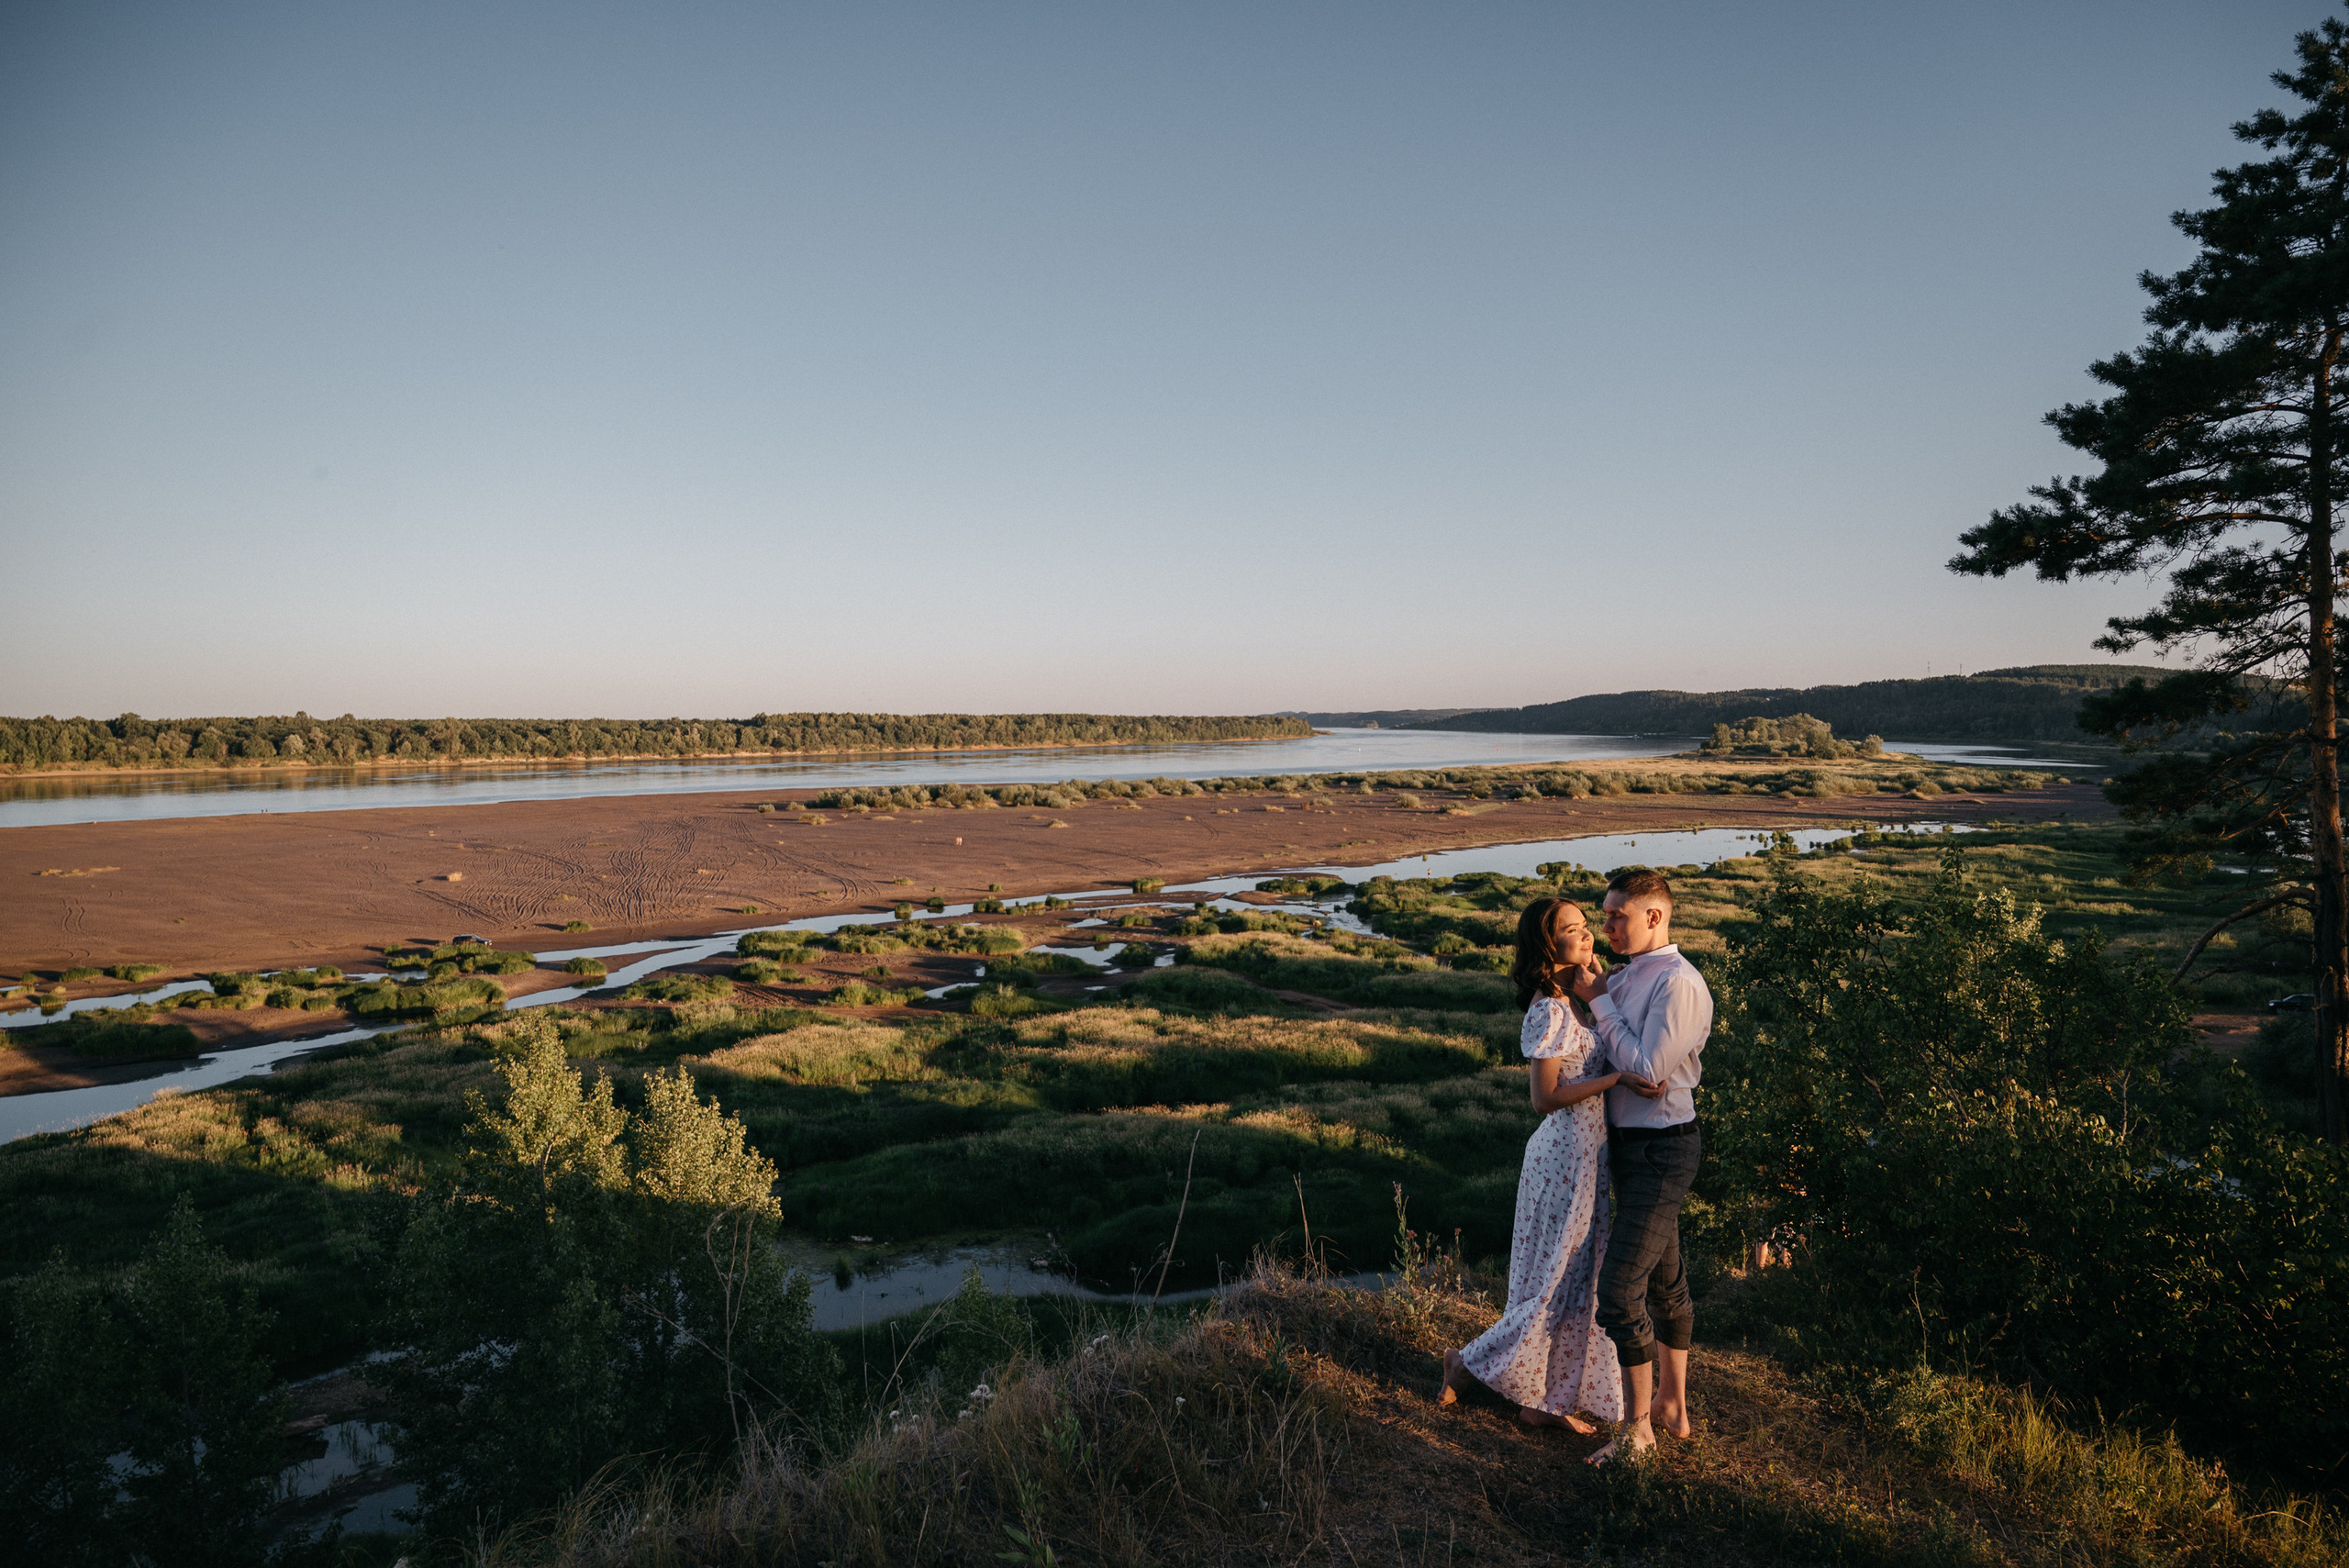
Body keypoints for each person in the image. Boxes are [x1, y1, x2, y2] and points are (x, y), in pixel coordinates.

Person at [1438, 896, 1661, 1431]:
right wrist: (1616, 1080)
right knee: (1551, 1280)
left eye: (1587, 926)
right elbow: (1544, 1097)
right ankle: (1465, 1362)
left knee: (1579, 1281)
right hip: (1561, 1157)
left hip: (1592, 1158)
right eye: (1573, 930)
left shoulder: (1583, 996)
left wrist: (1602, 990)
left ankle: (1544, 1402)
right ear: (1547, 945)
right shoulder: (1550, 1008)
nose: (1587, 935)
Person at [1571, 867, 1712, 1465]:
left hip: (1663, 1146)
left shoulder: (1678, 983)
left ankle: (1638, 1431)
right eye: (1603, 915)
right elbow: (1607, 1051)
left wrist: (1600, 1001)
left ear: (1655, 916)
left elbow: (1649, 1074)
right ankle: (1673, 1409)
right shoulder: (1627, 977)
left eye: (1616, 916)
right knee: (1664, 1279)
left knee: (1619, 1290)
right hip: (1630, 1147)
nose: (1606, 927)